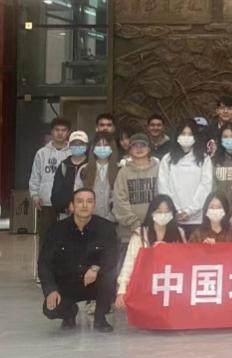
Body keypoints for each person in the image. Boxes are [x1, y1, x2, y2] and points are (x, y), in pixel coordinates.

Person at [38, 188, 117, 332]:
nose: (85, 205)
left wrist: (96, 268)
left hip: (95, 281)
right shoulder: (56, 230)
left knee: (109, 276)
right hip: (68, 283)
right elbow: (45, 263)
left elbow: (112, 256)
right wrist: (51, 290)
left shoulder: (106, 228)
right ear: (72, 206)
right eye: (80, 201)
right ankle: (69, 313)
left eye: (89, 201)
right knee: (51, 310)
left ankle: (100, 318)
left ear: (94, 205)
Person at [115, 195, 184, 312]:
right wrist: (122, 291)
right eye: (159, 211)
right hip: (145, 286)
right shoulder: (140, 234)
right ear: (152, 213)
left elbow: (184, 262)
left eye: (167, 211)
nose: (163, 215)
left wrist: (169, 250)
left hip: (171, 286)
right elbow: (129, 264)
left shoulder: (179, 233)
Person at [157, 121, 214, 233]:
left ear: (195, 137)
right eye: (183, 134)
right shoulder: (167, 159)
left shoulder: (204, 159)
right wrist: (176, 209)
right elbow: (163, 186)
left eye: (190, 134)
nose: (186, 137)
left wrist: (190, 211)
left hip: (197, 218)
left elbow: (206, 186)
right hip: (173, 217)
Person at [111, 134, 159, 257]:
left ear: (149, 148)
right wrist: (134, 224)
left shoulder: (159, 169)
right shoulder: (123, 172)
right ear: (129, 150)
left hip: (155, 231)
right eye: (134, 146)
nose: (139, 148)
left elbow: (163, 198)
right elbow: (119, 201)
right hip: (129, 234)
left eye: (143, 145)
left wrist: (155, 222)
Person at [75, 131, 118, 222]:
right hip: (88, 221)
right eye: (98, 145)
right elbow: (77, 195)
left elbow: (122, 199)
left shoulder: (119, 170)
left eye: (106, 145)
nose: (102, 148)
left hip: (113, 222)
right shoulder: (84, 170)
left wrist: (110, 218)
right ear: (93, 148)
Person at [51, 130, 91, 217]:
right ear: (69, 145)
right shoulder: (63, 166)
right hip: (66, 213)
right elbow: (56, 193)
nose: (77, 146)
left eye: (80, 144)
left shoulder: (91, 166)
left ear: (86, 146)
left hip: (89, 212)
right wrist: (67, 206)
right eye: (74, 144)